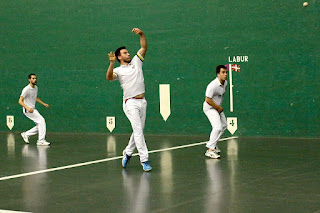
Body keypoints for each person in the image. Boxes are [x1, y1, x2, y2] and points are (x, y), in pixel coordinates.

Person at [106, 28, 151, 171]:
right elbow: (109, 77)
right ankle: (144, 160)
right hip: (130, 103)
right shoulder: (118, 70)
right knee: (138, 130)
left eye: (128, 52)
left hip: (142, 101)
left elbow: (144, 47)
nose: (128, 53)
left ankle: (128, 152)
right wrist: (111, 63)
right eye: (125, 53)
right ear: (119, 57)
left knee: (139, 130)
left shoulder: (137, 62)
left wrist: (142, 34)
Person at [203, 65, 228, 159]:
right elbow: (208, 100)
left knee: (224, 126)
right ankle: (210, 150)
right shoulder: (212, 85)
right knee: (217, 127)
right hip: (209, 108)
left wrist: (218, 107)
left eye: (226, 72)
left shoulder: (225, 83)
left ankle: (213, 144)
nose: (225, 74)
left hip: (217, 108)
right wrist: (218, 107)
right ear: (218, 74)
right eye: (223, 72)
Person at [19, 74, 50, 146]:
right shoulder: (26, 89)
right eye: (33, 78)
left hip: (33, 109)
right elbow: (20, 101)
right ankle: (41, 140)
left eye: (35, 78)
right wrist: (27, 108)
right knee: (42, 121)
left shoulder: (36, 88)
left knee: (40, 124)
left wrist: (43, 103)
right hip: (28, 110)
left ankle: (26, 134)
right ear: (29, 80)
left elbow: (35, 97)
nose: (35, 80)